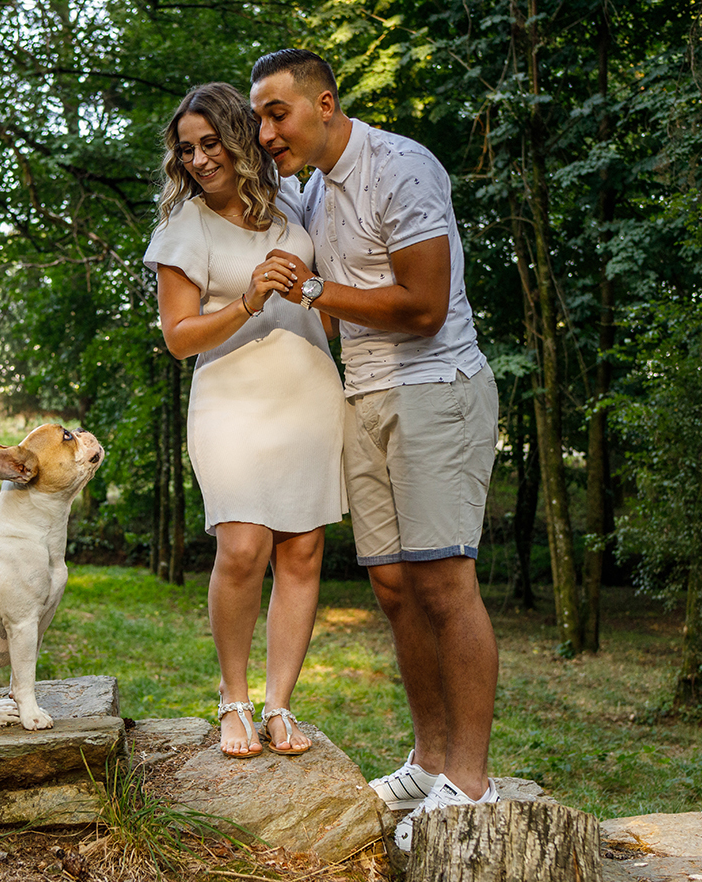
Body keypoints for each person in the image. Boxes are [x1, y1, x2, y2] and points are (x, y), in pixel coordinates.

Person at [249, 49, 500, 849]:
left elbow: (425, 305)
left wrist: (314, 289)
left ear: (324, 104)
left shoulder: (402, 167)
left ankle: (471, 783)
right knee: (393, 587)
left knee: (444, 584)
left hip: (435, 389)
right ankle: (429, 761)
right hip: (362, 395)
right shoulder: (311, 189)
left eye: (277, 113)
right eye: (259, 118)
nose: (267, 133)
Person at [143, 82, 347, 759]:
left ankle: (279, 705)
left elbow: (324, 308)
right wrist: (249, 300)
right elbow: (179, 338)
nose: (199, 159)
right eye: (187, 150)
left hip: (309, 395)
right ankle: (233, 698)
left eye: (211, 144)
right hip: (230, 402)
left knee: (302, 552)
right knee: (241, 548)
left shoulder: (290, 207)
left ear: (239, 140)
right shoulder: (185, 226)